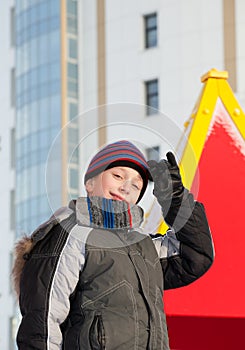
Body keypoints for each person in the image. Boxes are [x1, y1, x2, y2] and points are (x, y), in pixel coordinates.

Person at [12, 140, 214, 350]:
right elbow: (43, 323)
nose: (126, 187)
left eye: (136, 185)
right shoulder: (72, 234)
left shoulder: (144, 246)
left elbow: (195, 254)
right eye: (117, 176)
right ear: (90, 183)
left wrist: (175, 199)